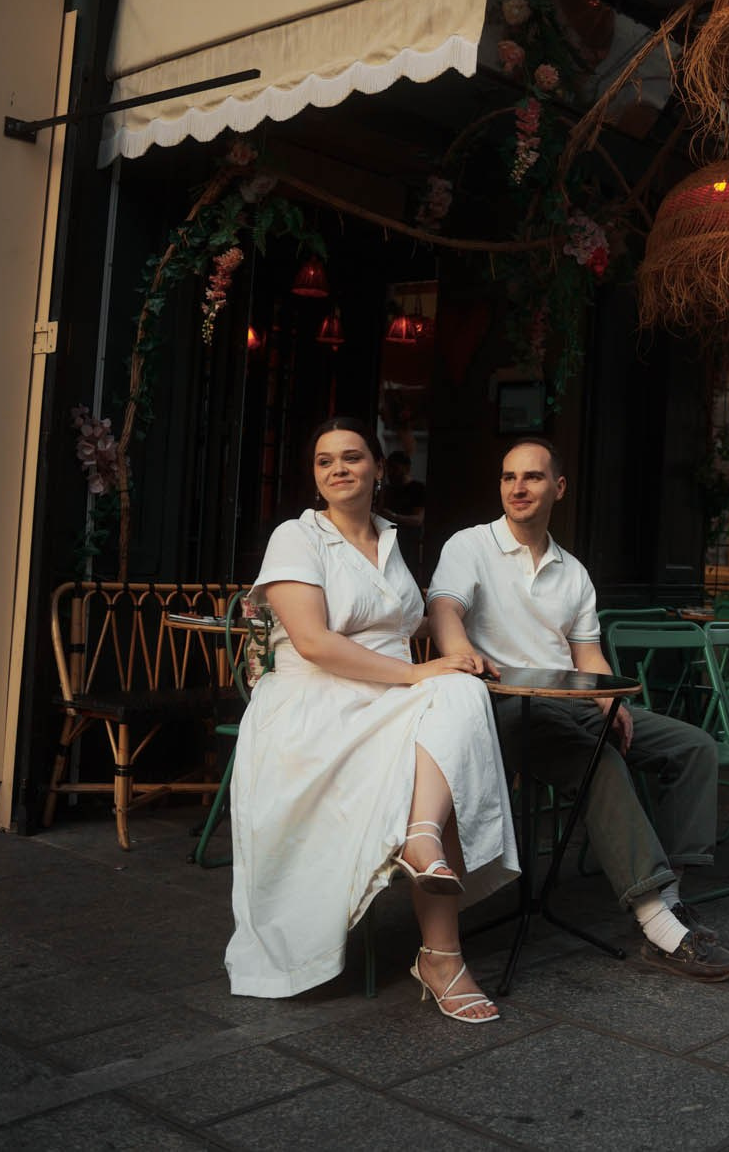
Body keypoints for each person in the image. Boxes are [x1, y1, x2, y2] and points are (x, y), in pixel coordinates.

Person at [226, 417, 520, 1023]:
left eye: (353, 457)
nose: (338, 468)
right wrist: (420, 672)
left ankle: (422, 849)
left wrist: (462, 650)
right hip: (315, 707)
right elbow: (313, 643)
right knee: (447, 729)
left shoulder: (390, 539)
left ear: (378, 469)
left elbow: (402, 622)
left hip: (384, 699)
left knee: (461, 697)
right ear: (315, 476)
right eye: (325, 460)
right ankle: (441, 951)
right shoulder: (297, 536)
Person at [427, 438, 729, 982]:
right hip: (507, 707)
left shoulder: (572, 571)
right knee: (601, 763)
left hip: (571, 700)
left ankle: (670, 897)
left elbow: (587, 653)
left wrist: (608, 697)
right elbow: (444, 609)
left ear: (559, 487)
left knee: (694, 748)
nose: (518, 487)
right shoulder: (470, 545)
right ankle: (658, 927)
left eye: (532, 477)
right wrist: (460, 652)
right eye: (508, 477)